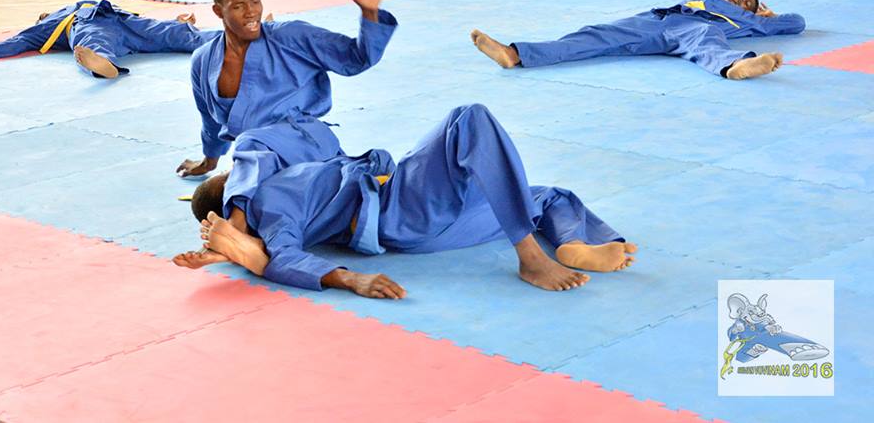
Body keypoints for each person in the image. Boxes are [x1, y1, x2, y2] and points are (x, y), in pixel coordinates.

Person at [174, 104, 636, 297]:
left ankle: (572, 242)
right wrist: (351, 279)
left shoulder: (281, 198)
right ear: (229, 184)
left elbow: (277, 254)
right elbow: (280, 252)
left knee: (541, 197)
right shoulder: (269, 200)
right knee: (468, 120)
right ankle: (531, 255)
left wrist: (245, 251)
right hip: (401, 204)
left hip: (419, 228)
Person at [175, 0, 397, 219]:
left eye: (255, 1)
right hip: (259, 163)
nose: (251, 12)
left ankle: (239, 227)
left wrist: (369, 12)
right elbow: (210, 120)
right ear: (218, 11)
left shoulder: (290, 36)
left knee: (251, 162)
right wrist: (209, 161)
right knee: (209, 204)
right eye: (238, 6)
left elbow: (355, 57)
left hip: (303, 147)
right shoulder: (203, 61)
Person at [470, 0, 805, 80]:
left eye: (747, 1)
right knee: (596, 34)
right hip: (655, 19)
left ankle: (734, 66)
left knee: (705, 41)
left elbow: (797, 22)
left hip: (694, 28)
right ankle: (515, 54)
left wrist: (768, 15)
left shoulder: (746, 20)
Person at [0, 0, 218, 79]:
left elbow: (145, 19)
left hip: (123, 19)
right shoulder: (48, 26)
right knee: (92, 45)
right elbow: (12, 44)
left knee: (174, 32)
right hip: (89, 27)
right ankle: (102, 65)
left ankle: (234, 37)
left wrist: (175, 21)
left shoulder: (71, 6)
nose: (44, 14)